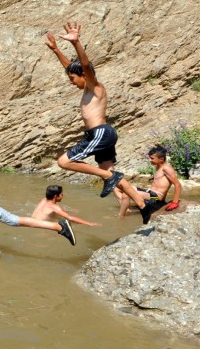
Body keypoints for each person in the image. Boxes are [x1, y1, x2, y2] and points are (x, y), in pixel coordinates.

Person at [45, 21, 156, 224]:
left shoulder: (94, 86)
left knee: (64, 162)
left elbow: (84, 66)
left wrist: (76, 43)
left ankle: (107, 178)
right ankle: (143, 204)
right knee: (110, 172)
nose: (71, 81)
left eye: (72, 78)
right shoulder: (87, 87)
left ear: (84, 77)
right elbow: (73, 68)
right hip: (100, 134)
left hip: (100, 133)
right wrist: (56, 50)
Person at [114, 146, 182, 218]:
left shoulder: (167, 168)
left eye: (152, 158)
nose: (149, 160)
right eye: (149, 157)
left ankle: (120, 217)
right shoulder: (158, 166)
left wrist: (175, 202)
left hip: (157, 198)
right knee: (116, 188)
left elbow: (178, 185)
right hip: (149, 192)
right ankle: (125, 208)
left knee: (126, 194)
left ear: (161, 159)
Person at [31, 185, 101, 226]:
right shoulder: (54, 207)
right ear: (56, 196)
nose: (63, 196)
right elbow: (70, 218)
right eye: (61, 194)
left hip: (31, 222)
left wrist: (66, 210)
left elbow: (48, 210)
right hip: (40, 226)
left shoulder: (43, 200)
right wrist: (90, 223)